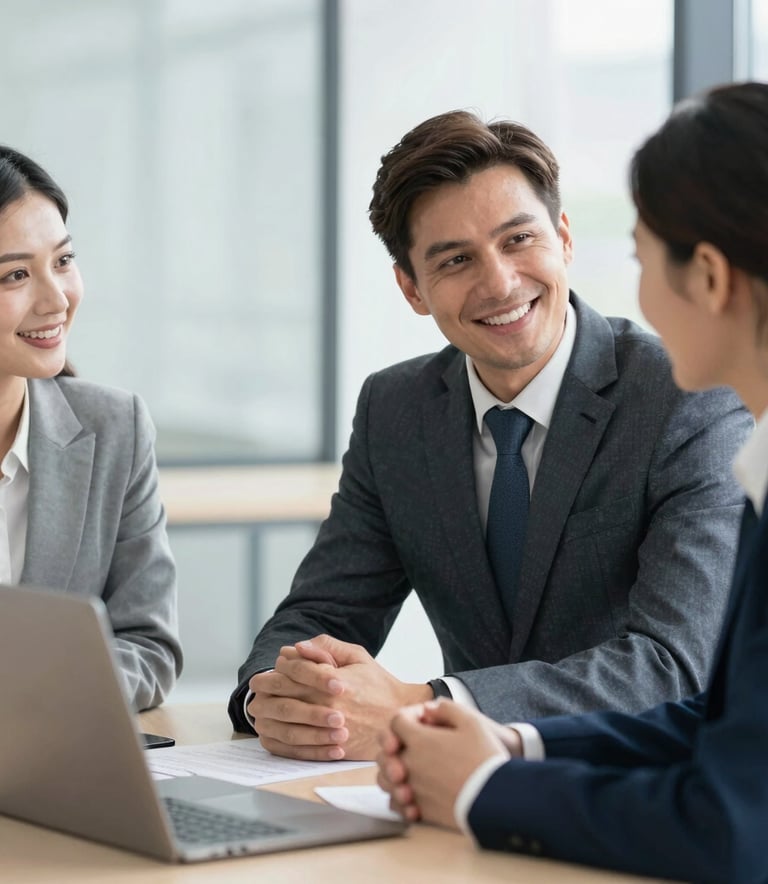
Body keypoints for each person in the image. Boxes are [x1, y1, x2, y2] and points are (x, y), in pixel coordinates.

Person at [228, 108, 752, 761]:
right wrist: (274, 698)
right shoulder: (397, 409)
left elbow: (671, 666)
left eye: (517, 240)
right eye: (455, 260)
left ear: (564, 237)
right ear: (411, 289)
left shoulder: (684, 398)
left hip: (636, 785)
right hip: (460, 808)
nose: (499, 282)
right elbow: (323, 613)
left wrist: (423, 703)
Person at [376, 80, 768, 884]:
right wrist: (515, 743)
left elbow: (734, 825)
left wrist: (486, 790)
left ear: (711, 277)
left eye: (639, 254)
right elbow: (726, 724)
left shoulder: (688, 414)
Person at [0, 145, 181, 710]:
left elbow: (149, 646)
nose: (56, 299)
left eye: (63, 261)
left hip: (49, 776)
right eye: (15, 275)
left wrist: (38, 694)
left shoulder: (115, 429)